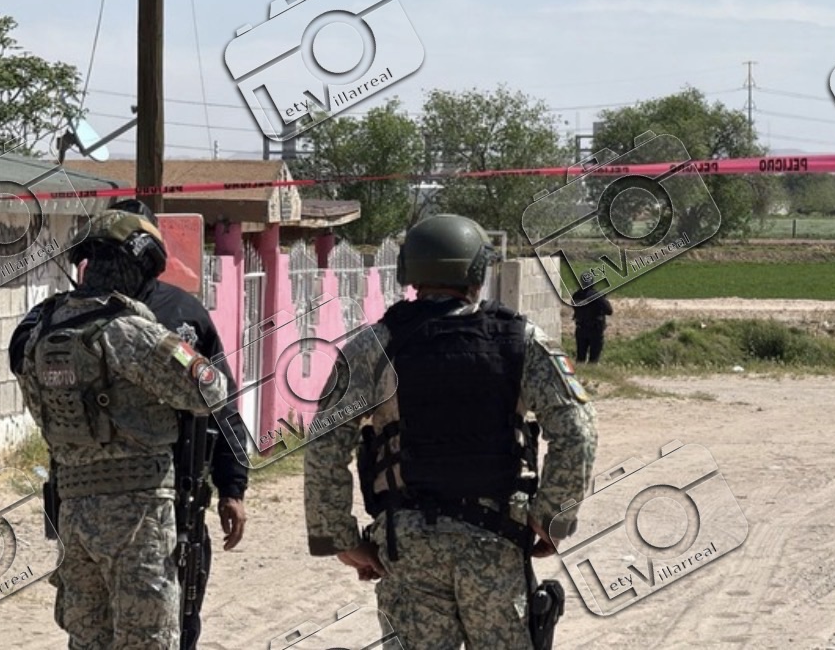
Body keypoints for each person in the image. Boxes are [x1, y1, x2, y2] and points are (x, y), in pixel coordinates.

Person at [303, 214, 598, 649]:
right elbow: (578, 430)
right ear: (478, 271)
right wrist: (552, 516)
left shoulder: (375, 345)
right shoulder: (523, 340)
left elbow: (325, 442)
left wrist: (340, 538)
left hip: (407, 545)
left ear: (408, 271)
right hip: (497, 539)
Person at [10, 210, 228, 649]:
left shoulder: (41, 332)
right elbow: (211, 390)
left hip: (73, 512)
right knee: (147, 639)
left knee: (87, 640)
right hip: (138, 515)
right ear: (139, 265)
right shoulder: (128, 330)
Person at [110, 199, 249, 650]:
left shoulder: (182, 313)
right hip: (97, 502)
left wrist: (232, 487)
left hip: (174, 500)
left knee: (177, 625)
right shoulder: (74, 317)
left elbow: (222, 404)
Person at [571, 282, 613, 364]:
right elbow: (609, 311)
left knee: (580, 357)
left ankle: (580, 371)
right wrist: (603, 299)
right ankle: (591, 370)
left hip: (581, 328)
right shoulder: (596, 296)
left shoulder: (576, 295)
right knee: (594, 358)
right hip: (595, 330)